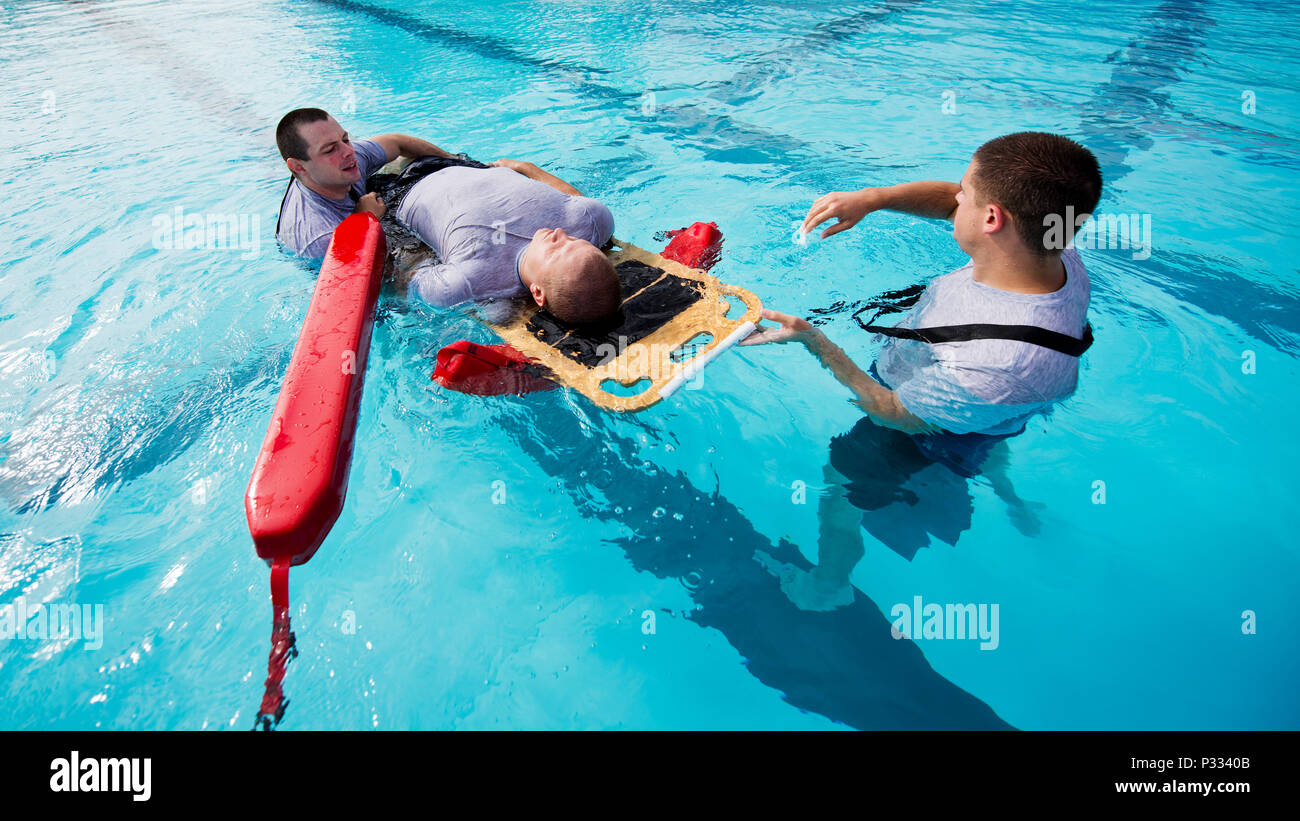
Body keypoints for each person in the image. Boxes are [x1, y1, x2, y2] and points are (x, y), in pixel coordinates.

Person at [742, 131, 1102, 609]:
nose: (955, 198)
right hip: (980, 404)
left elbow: (890, 411)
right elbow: (956, 208)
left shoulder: (997, 367)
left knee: (841, 492)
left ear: (993, 219)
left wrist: (816, 342)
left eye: (966, 192)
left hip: (920, 431)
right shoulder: (1054, 253)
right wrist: (874, 199)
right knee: (987, 431)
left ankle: (829, 583)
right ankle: (1003, 484)